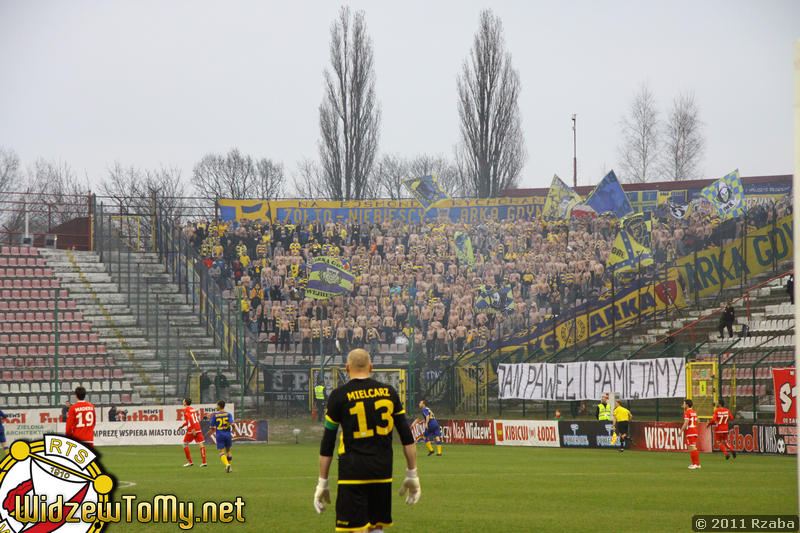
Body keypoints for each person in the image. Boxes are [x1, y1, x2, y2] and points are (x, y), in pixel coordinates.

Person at [314, 348, 420, 532]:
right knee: (376, 526)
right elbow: (406, 437)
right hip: (382, 472)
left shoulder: (339, 396)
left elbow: (327, 443)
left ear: (347, 368)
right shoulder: (389, 392)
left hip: (352, 473)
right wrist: (412, 473)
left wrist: (322, 481)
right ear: (371, 367)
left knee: (353, 529)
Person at [179, 397, 207, 467]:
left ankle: (189, 461)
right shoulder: (193, 409)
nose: (183, 402)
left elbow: (190, 419)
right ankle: (204, 462)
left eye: (183, 401)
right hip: (197, 426)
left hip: (192, 428)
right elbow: (192, 420)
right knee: (201, 444)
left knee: (184, 444)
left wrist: (193, 429)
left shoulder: (186, 410)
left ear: (185, 402)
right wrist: (182, 426)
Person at [208, 400, 234, 473]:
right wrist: (234, 428)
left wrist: (210, 431)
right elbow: (232, 424)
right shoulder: (228, 414)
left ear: (219, 406)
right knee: (228, 450)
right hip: (228, 435)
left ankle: (227, 464)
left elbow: (212, 427)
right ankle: (230, 467)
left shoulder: (215, 416)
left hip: (220, 435)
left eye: (217, 405)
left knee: (221, 451)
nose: (216, 406)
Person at [681, 398, 701, 469]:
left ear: (687, 405)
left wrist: (681, 431)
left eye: (684, 403)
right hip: (694, 431)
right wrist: (695, 427)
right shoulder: (694, 412)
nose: (683, 404)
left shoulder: (687, 412)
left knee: (692, 448)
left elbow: (686, 422)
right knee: (692, 447)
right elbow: (698, 421)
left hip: (690, 432)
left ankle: (694, 464)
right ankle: (697, 464)